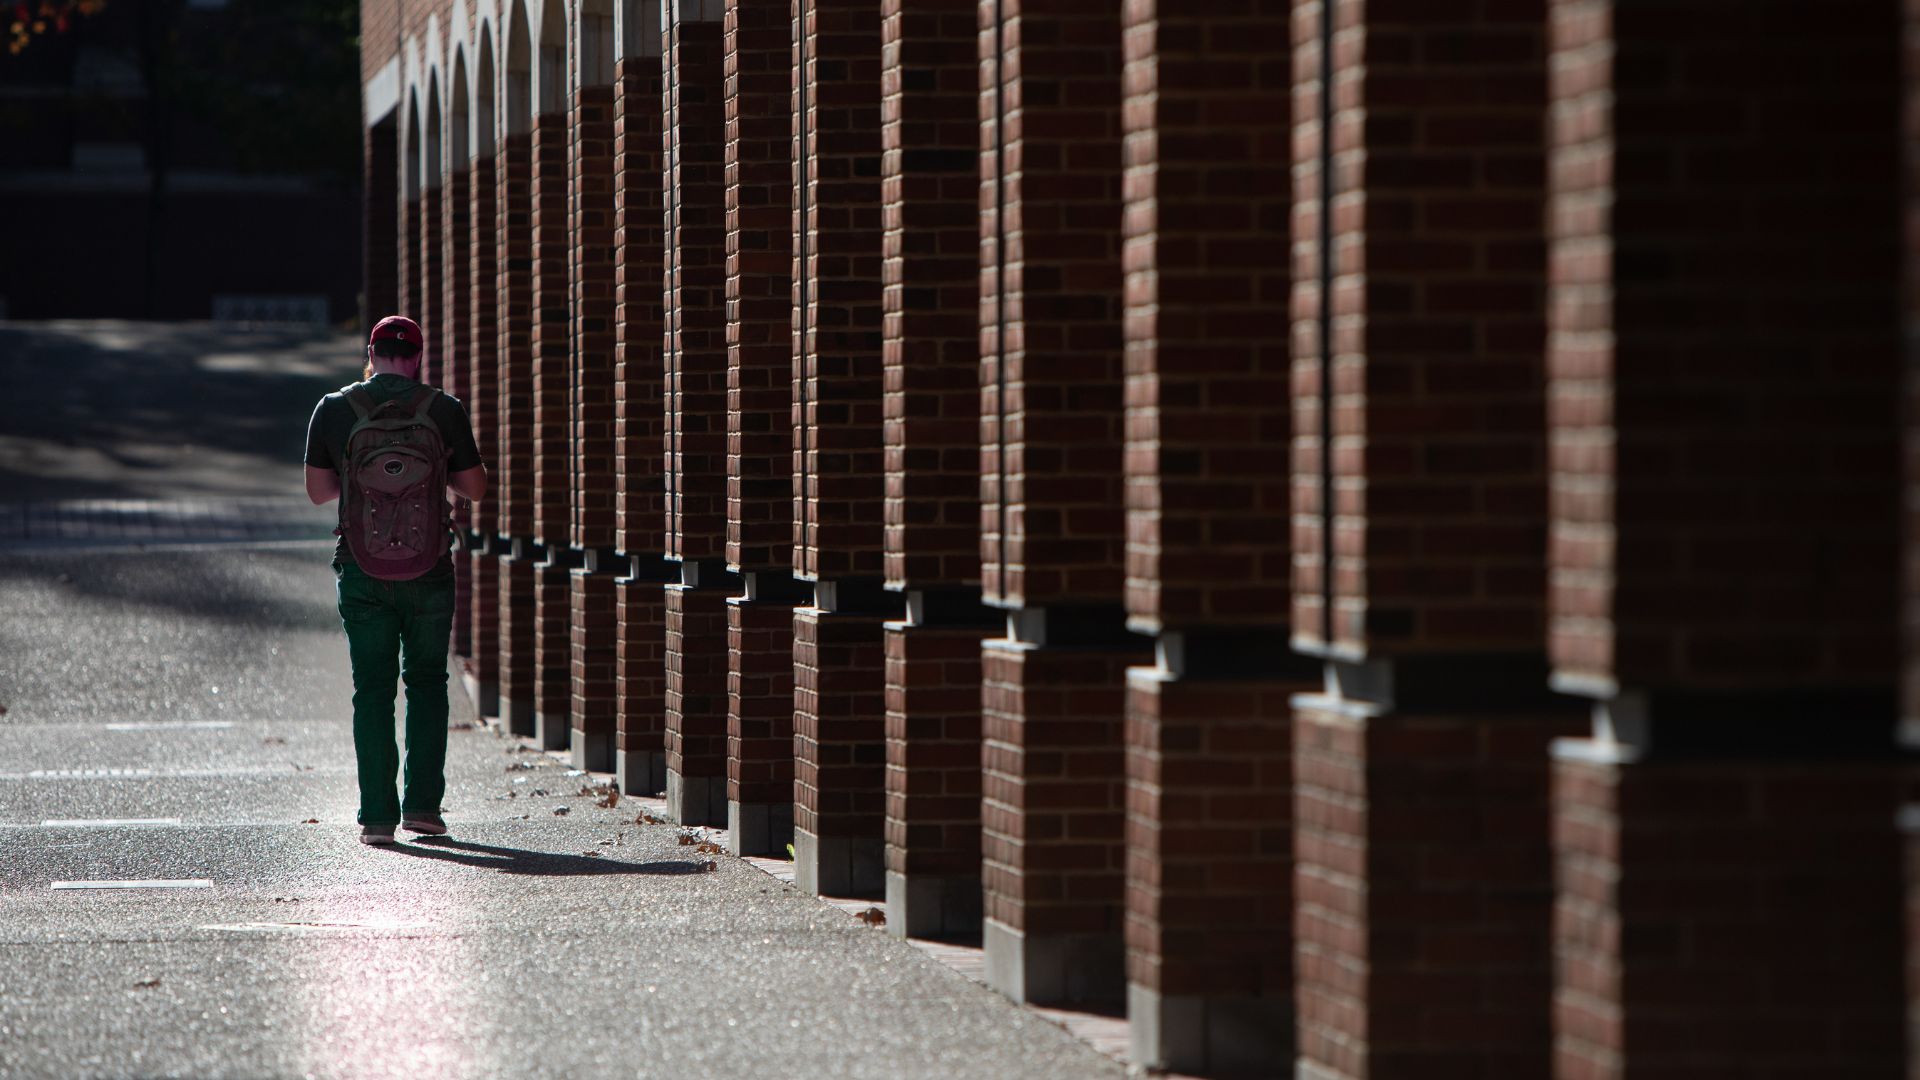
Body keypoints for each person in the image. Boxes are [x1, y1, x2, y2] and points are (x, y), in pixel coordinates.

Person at [303, 316, 488, 845]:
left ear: (371, 352)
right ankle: (424, 809)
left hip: (362, 568)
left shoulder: (335, 410)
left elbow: (319, 493)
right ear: (418, 358)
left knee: (373, 689)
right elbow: (475, 489)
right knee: (428, 682)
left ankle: (378, 817)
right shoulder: (443, 410)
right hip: (429, 568)